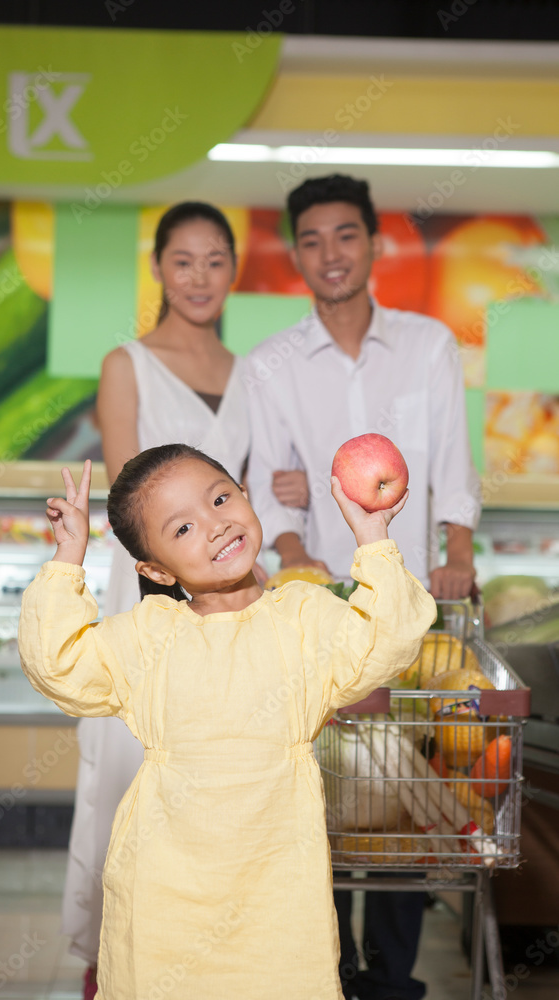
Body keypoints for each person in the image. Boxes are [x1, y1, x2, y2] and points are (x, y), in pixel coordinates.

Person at [19, 444, 437, 999]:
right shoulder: (149, 635)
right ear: (155, 569)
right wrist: (68, 560)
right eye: (184, 527)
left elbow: (390, 640)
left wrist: (374, 539)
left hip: (280, 899)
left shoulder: (304, 617)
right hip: (162, 897)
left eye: (220, 498)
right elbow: (58, 664)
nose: (215, 525)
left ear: (245, 494)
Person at [245, 173, 482, 1000]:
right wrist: (289, 549)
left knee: (399, 799)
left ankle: (389, 977)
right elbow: (271, 486)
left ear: (375, 243)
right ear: (296, 255)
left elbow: (451, 460)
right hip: (314, 610)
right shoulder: (270, 365)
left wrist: (457, 549)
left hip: (406, 602)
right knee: (322, 795)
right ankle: (323, 968)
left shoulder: (427, 346)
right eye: (309, 240)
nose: (328, 254)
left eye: (344, 235)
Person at [61, 202, 251, 998]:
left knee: (218, 773)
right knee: (130, 766)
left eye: (214, 260)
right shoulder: (126, 364)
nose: (199, 276)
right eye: (183, 260)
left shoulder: (250, 371)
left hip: (231, 603)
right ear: (159, 270)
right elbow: (129, 502)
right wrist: (174, 600)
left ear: (233, 269)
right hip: (149, 592)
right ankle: (114, 961)